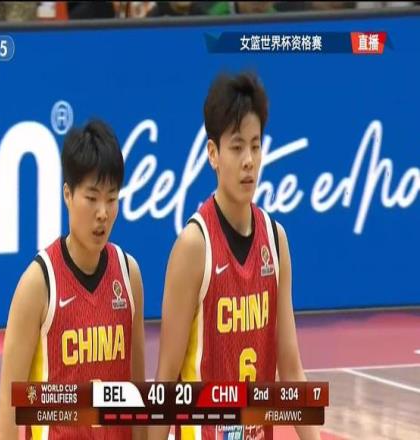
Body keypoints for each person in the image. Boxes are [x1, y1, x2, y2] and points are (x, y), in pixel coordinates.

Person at [149, 72, 320, 440]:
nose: (249, 161)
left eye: (256, 147)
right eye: (237, 147)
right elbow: (166, 379)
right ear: (213, 154)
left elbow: (291, 369)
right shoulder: (194, 246)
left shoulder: (276, 240)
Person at [0, 119, 146, 440]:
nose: (102, 212)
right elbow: (9, 403)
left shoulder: (129, 275)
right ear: (68, 194)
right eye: (91, 198)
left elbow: (136, 393)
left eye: (111, 198)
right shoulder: (38, 283)